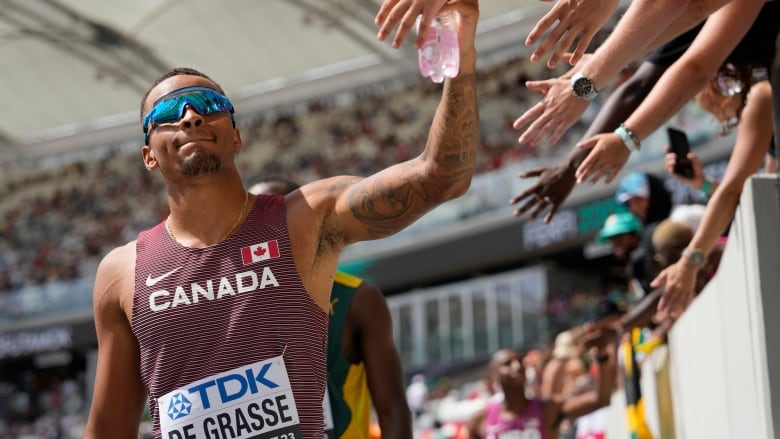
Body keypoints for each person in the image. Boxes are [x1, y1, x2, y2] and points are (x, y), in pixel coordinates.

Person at [83, 2, 480, 437]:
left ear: (236, 135)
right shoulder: (123, 272)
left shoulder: (306, 218)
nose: (190, 117)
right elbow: (107, 431)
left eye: (208, 104)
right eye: (166, 114)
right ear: (148, 156)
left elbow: (441, 177)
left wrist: (460, 59)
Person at [249, 178, 412, 439]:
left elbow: (392, 409)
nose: (267, 229)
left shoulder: (356, 299)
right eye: (256, 221)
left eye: (279, 216)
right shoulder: (231, 303)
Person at [466, 345, 614, 439]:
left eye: (519, 361)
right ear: (494, 376)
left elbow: (600, 399)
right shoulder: (480, 420)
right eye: (507, 364)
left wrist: (601, 357)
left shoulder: (547, 408)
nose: (517, 366)